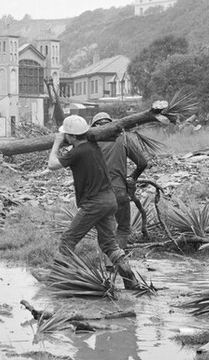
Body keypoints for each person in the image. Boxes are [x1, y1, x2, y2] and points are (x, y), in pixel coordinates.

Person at [47, 114, 140, 289]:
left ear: (72, 136)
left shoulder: (78, 152)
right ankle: (129, 278)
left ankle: (55, 279)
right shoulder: (93, 146)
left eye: (67, 134)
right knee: (109, 244)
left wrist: (57, 142)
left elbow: (52, 164)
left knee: (68, 240)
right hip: (109, 200)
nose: (65, 136)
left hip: (94, 204)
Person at [90, 111, 148, 253]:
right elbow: (142, 163)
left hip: (96, 193)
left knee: (104, 229)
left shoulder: (89, 141)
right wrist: (133, 177)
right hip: (118, 191)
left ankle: (104, 264)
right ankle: (115, 262)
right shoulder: (123, 138)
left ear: (94, 126)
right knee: (122, 229)